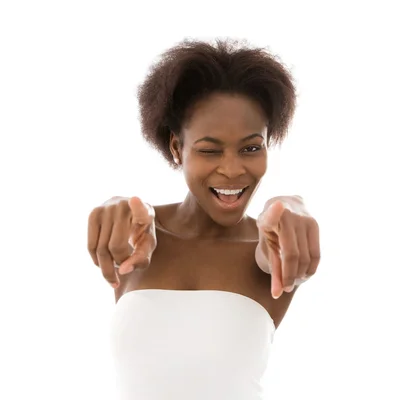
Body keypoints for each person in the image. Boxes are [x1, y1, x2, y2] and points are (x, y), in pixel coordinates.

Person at [87, 38, 321, 400]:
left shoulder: (271, 250)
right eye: (210, 150)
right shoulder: (136, 239)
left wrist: (292, 204)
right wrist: (117, 203)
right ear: (176, 148)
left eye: (251, 148)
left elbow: (269, 248)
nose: (232, 169)